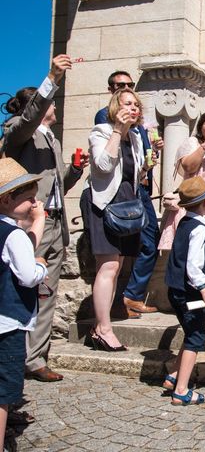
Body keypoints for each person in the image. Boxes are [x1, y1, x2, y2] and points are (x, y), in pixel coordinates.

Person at [2, 54, 88, 382]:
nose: (54, 106)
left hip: (54, 222)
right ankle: (15, 356)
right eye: (49, 102)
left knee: (47, 293)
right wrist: (52, 78)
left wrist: (75, 171)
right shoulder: (18, 130)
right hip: (29, 225)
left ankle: (35, 359)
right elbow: (29, 118)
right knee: (22, 289)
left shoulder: (52, 137)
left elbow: (55, 184)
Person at [81, 89, 151, 351]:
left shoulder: (134, 136)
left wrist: (146, 165)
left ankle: (101, 326)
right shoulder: (102, 131)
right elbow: (102, 166)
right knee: (107, 266)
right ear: (115, 106)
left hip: (126, 202)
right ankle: (104, 329)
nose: (133, 108)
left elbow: (134, 174)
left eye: (136, 105)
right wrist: (117, 130)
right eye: (127, 104)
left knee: (117, 266)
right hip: (104, 201)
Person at [95, 70, 163, 319]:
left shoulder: (137, 130)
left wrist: (151, 155)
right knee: (116, 259)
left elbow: (138, 162)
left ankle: (129, 297)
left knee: (142, 246)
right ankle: (118, 306)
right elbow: (104, 164)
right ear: (111, 90)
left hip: (138, 188)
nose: (125, 88)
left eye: (130, 86)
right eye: (119, 86)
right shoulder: (105, 120)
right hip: (117, 195)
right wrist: (118, 128)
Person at [158, 112, 205, 316]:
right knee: (191, 250)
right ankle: (185, 296)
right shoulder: (192, 143)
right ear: (201, 127)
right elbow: (188, 167)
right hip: (196, 202)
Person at [0, 158, 48, 451]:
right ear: (7, 199)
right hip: (10, 320)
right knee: (4, 391)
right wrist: (40, 264)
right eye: (28, 197)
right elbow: (28, 276)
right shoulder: (15, 234)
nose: (34, 203)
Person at [164, 176, 205, 405]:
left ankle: (173, 376)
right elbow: (193, 264)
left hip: (176, 290)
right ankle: (182, 390)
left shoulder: (186, 222)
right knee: (196, 338)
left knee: (190, 334)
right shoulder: (199, 229)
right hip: (192, 294)